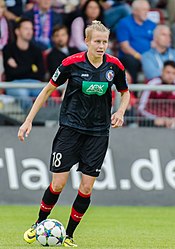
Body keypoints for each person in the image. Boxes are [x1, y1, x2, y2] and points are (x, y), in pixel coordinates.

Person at [18, 20, 130, 247]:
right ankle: (38, 224)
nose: (101, 46)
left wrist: (120, 110)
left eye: (105, 42)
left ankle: (68, 235)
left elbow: (125, 92)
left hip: (98, 132)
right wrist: (28, 120)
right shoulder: (72, 63)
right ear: (86, 41)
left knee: (87, 187)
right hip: (70, 128)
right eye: (97, 41)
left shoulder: (114, 66)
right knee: (58, 184)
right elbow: (48, 89)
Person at [3, 18, 45, 109]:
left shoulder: (36, 50)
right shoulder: (8, 49)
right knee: (23, 95)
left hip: (34, 83)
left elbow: (41, 73)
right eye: (26, 28)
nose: (29, 31)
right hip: (14, 84)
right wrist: (31, 68)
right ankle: (29, 122)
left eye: (31, 29)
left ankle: (40, 121)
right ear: (17, 31)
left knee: (46, 94)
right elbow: (10, 73)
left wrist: (19, 68)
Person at [116, 0, 156, 83]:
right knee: (131, 61)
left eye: (147, 10)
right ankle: (133, 90)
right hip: (132, 56)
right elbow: (125, 47)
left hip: (149, 56)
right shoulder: (125, 23)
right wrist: (139, 56)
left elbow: (156, 43)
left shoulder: (152, 24)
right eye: (143, 10)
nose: (146, 13)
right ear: (134, 11)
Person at [138, 60, 175, 128]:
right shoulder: (152, 84)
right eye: (168, 72)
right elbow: (141, 108)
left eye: (173, 73)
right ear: (162, 71)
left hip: (171, 121)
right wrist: (154, 118)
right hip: (152, 121)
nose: (171, 76)